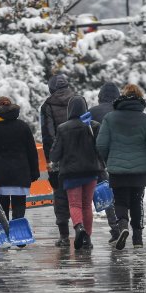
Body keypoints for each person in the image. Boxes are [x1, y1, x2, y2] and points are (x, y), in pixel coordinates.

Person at [95, 83, 146, 249]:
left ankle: (122, 226)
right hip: (140, 169)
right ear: (140, 99)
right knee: (137, 200)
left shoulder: (110, 118)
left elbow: (101, 144)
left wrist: (108, 159)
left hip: (116, 168)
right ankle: (138, 239)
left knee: (119, 200)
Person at [48, 95, 102, 250]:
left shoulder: (63, 128)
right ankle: (88, 240)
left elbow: (54, 155)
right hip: (91, 171)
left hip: (71, 173)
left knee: (75, 204)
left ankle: (79, 227)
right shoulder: (94, 126)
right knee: (86, 205)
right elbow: (100, 149)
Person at [0, 96, 39, 222]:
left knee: (1, 208)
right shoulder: (23, 127)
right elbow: (31, 151)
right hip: (20, 175)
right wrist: (34, 172)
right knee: (19, 208)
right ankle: (19, 233)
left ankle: (4, 231)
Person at [40, 73, 75, 246]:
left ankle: (64, 236)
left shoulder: (47, 106)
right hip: (80, 156)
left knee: (60, 195)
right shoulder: (79, 100)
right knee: (79, 196)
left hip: (59, 158)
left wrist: (51, 164)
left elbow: (48, 136)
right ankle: (82, 230)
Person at [88, 82, 122, 245]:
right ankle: (124, 223)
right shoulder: (122, 111)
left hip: (99, 158)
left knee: (106, 192)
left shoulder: (92, 112)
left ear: (100, 96)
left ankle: (115, 228)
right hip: (120, 157)